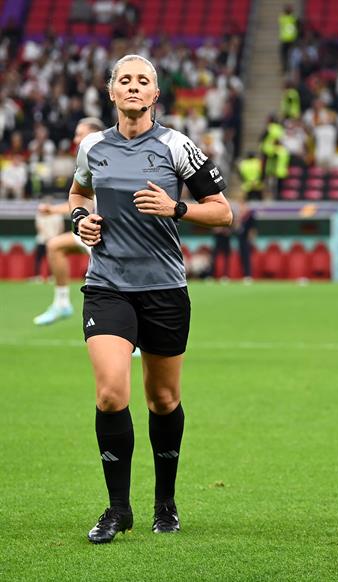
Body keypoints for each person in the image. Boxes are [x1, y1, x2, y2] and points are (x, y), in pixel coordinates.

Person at [70, 54, 231, 544]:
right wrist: (81, 222)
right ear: (111, 91)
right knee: (110, 393)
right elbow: (77, 196)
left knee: (163, 399)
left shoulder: (178, 147)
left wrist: (176, 207)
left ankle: (166, 501)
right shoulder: (92, 146)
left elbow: (223, 213)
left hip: (163, 288)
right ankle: (118, 508)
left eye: (144, 81)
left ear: (156, 95)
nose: (134, 87)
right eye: (125, 80)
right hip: (108, 285)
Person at [33, 117, 105, 326]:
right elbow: (82, 200)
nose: (75, 139)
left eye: (80, 134)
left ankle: (135, 338)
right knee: (55, 246)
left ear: (93, 135)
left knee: (116, 288)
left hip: (111, 234)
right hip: (92, 231)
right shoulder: (86, 161)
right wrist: (53, 209)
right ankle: (62, 303)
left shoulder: (109, 159)